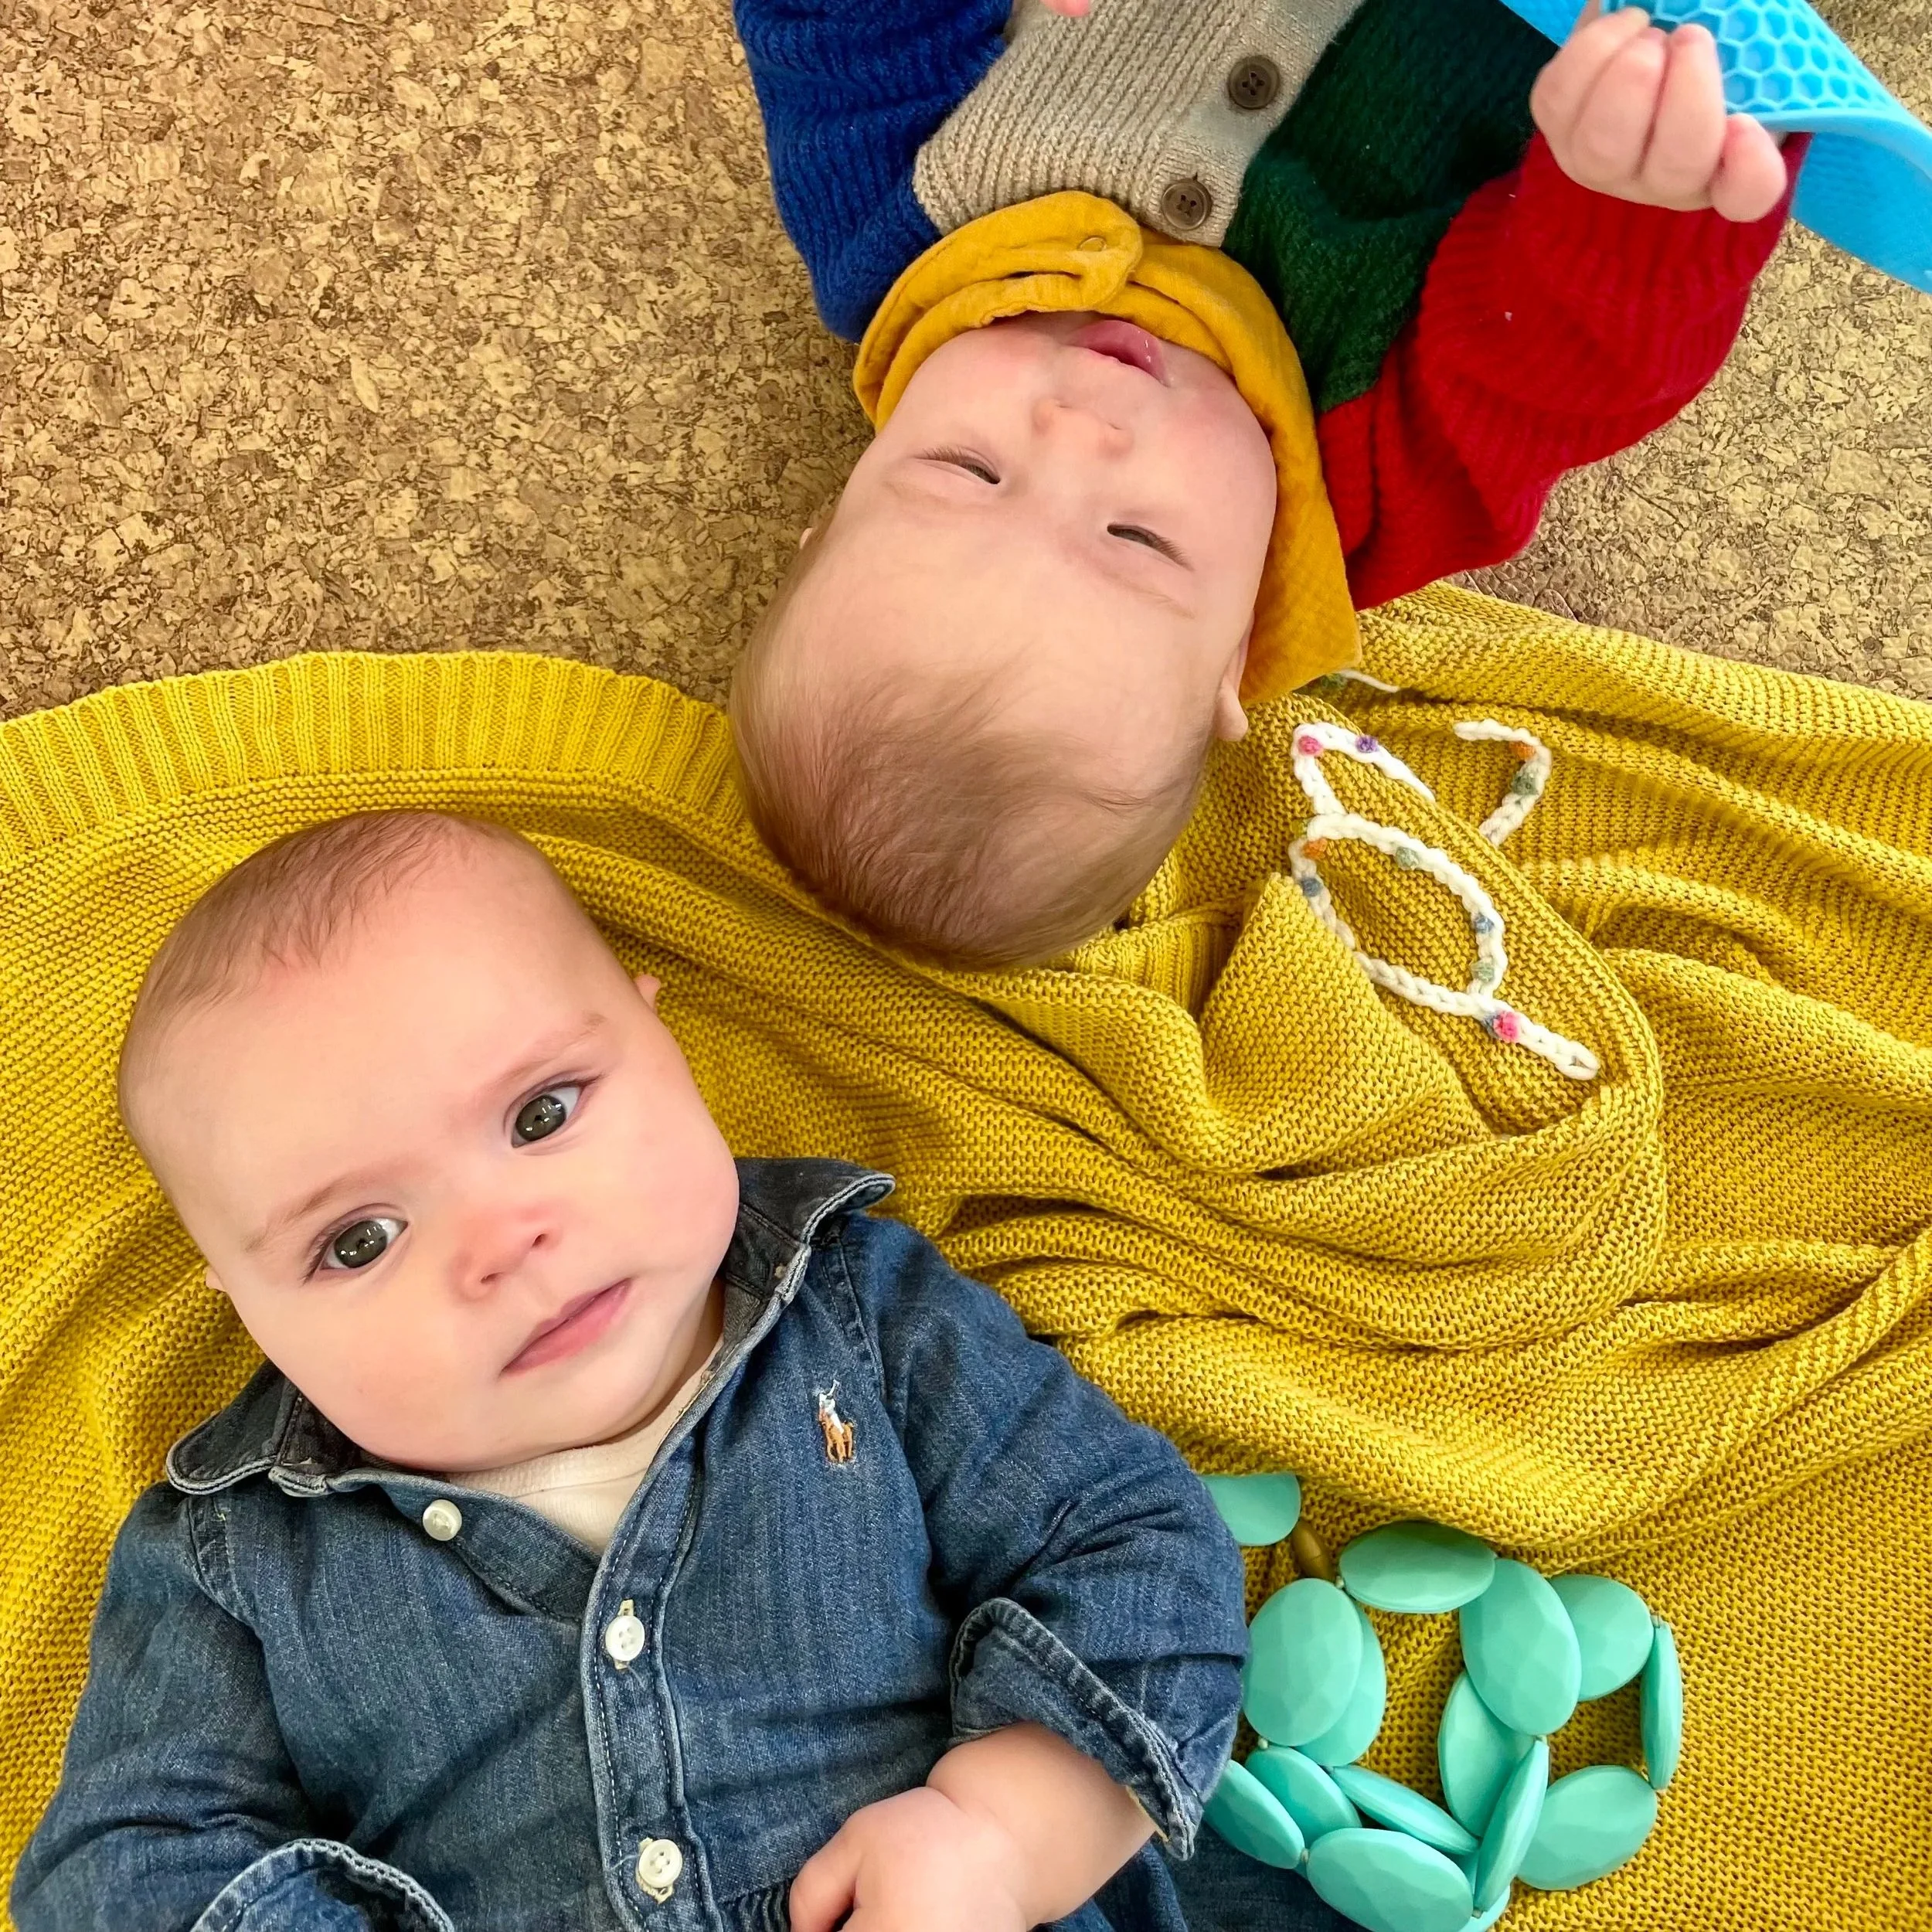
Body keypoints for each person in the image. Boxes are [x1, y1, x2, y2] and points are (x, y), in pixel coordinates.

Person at [11, 809, 1263, 1932]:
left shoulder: (858, 1322)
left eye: (543, 1114)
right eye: (359, 1241)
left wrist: (999, 1837)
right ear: (250, 1308)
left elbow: (1127, 1536)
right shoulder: (235, 1559)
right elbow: (127, 1869)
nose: (504, 1246)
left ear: (662, 1036)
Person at [727, 0, 1804, 968]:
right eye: (1137, 537)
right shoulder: (1387, 476)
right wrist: (1636, 201)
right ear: (1237, 651)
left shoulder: (891, 220)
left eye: (971, 469)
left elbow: (832, 28)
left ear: (837, 508)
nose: (1080, 430)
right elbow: (1585, 347)